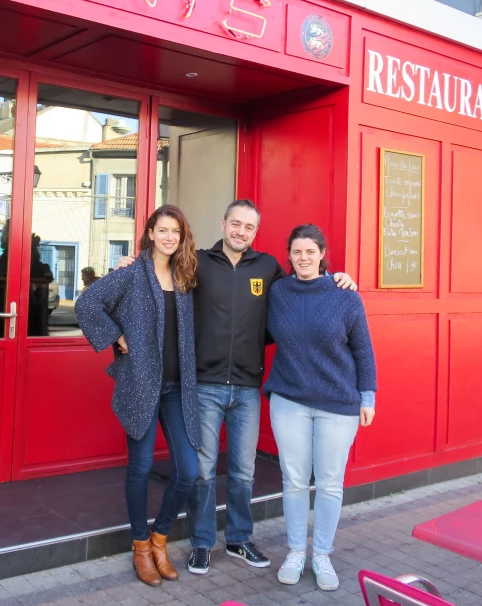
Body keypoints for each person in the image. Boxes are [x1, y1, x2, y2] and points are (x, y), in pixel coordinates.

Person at [116, 200, 356, 576]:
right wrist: (131, 266)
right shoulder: (194, 262)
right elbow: (157, 275)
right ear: (223, 222)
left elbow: (304, 283)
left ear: (255, 233)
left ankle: (240, 538)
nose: (241, 232)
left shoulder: (268, 268)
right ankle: (201, 543)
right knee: (203, 471)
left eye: (249, 227)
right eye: (236, 224)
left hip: (247, 386)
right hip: (205, 384)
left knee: (244, 471)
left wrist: (337, 278)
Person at [74, 205, 202, 587]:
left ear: (182, 236)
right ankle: (140, 546)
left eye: (174, 231)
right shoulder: (130, 273)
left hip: (178, 387)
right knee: (141, 468)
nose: (168, 237)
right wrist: (115, 335)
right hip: (142, 383)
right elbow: (86, 303)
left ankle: (160, 538)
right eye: (161, 230)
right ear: (149, 233)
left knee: (188, 471)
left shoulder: (186, 276)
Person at [262, 224, 377, 591]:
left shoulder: (345, 295)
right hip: (289, 399)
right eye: (297, 252)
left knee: (329, 484)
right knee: (294, 481)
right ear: (290, 256)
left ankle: (322, 554)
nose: (304, 258)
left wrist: (368, 396)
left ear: (323, 253)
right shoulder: (278, 292)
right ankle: (296, 550)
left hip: (337, 403)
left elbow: (363, 350)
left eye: (310, 251)